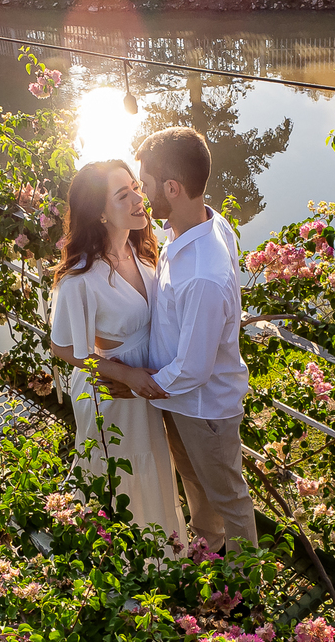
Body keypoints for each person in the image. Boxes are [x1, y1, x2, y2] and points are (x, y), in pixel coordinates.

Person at [49, 159, 186, 548]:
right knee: (124, 472)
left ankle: (163, 555)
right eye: (123, 195)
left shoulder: (142, 249)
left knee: (155, 466)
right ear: (101, 212)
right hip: (113, 391)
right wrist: (126, 375)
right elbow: (62, 346)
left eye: (136, 188)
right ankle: (120, 563)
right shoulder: (80, 276)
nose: (139, 200)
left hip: (150, 381)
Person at [133, 128, 258, 554]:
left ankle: (245, 591)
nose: (141, 195)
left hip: (202, 408)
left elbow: (194, 369)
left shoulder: (204, 275)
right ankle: (209, 546)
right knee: (193, 481)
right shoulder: (202, 221)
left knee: (230, 497)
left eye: (146, 185)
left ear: (172, 188)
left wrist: (137, 380)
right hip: (177, 399)